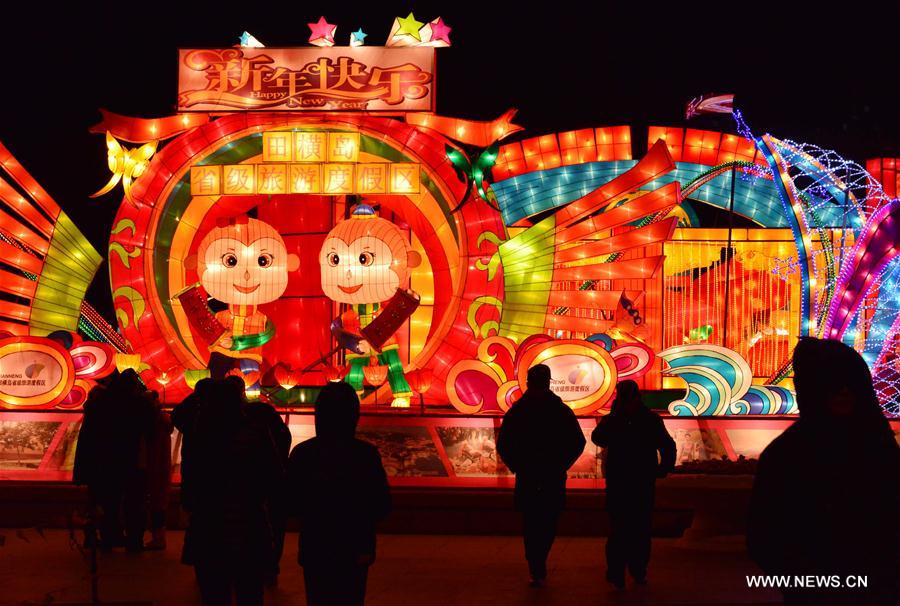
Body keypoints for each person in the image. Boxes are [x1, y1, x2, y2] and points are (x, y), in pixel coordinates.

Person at [747, 338, 900, 605]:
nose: (842, 391)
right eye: (831, 383)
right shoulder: (788, 454)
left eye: (850, 382)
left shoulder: (877, 443)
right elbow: (765, 533)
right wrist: (807, 583)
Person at [286, 381, 391, 606]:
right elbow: (381, 504)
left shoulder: (304, 454)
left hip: (316, 546)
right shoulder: (365, 455)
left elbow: (290, 501)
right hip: (355, 546)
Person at [181, 379, 283, 606]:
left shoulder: (201, 435)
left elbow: (193, 476)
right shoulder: (255, 433)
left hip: (210, 524)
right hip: (248, 522)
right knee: (249, 591)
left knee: (214, 592)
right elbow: (272, 475)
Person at [496, 364, 586, 587]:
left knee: (531, 522)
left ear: (528, 383)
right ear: (548, 383)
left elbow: (504, 444)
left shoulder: (518, 411)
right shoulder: (560, 411)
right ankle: (539, 561)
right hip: (551, 476)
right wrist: (561, 465)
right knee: (548, 521)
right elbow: (578, 442)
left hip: (528, 475)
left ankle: (535, 564)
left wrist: (518, 465)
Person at [592, 379, 675, 589]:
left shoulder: (614, 420)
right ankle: (638, 570)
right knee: (640, 527)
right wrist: (662, 469)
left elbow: (598, 438)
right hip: (642, 481)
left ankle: (616, 572)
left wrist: (613, 418)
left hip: (618, 480)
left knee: (618, 528)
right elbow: (667, 445)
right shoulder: (650, 419)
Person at [73, 369, 155, 552]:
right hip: (133, 461)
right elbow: (151, 428)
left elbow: (90, 435)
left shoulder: (101, 402)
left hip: (106, 461)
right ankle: (134, 540)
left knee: (109, 502)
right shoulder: (139, 403)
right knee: (134, 502)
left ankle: (109, 538)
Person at [145, 390, 173, 550]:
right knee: (159, 503)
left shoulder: (151, 421)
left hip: (152, 466)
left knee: (155, 503)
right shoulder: (164, 420)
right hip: (161, 467)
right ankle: (159, 536)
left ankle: (158, 537)